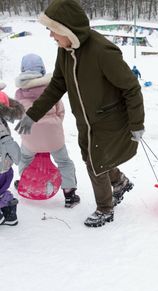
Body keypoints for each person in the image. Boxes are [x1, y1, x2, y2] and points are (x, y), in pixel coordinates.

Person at [15, 0, 145, 228]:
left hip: (108, 120)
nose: (51, 37)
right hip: (86, 120)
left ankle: (105, 208)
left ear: (67, 29)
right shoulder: (66, 50)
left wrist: (136, 123)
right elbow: (57, 85)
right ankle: (120, 181)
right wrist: (33, 114)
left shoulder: (102, 52)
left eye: (53, 31)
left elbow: (131, 87)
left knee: (95, 164)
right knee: (93, 159)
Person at [14, 53, 80, 208]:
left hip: (31, 137)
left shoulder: (19, 92)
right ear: (42, 69)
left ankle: (25, 181)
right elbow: (60, 111)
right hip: (53, 137)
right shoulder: (51, 87)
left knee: (25, 158)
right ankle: (69, 193)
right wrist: (54, 125)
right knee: (64, 162)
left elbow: (18, 114)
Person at [0, 90, 24, 226]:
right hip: (5, 166)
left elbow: (6, 142)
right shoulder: (2, 121)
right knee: (2, 191)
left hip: (2, 165)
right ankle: (10, 214)